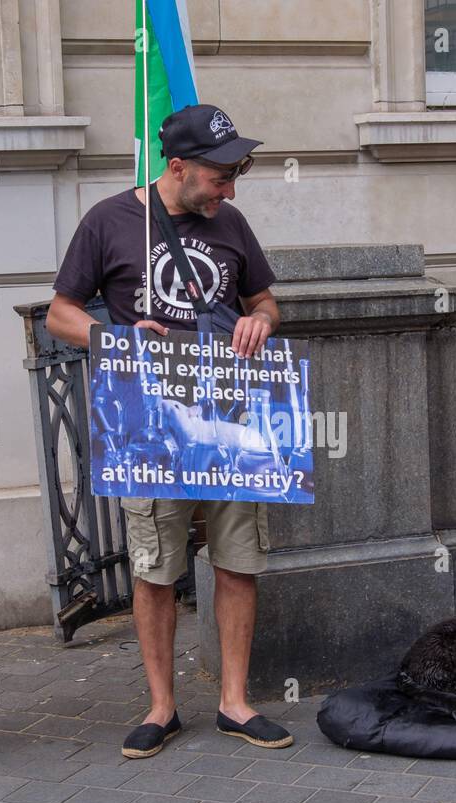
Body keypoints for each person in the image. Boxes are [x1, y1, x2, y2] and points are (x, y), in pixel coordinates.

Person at [46, 104, 292, 758]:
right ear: (177, 167)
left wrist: (261, 321)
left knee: (239, 559)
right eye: (220, 176)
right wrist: (113, 336)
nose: (230, 189)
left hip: (232, 418)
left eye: (237, 173)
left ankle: (236, 703)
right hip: (150, 423)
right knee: (155, 568)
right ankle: (162, 707)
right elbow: (60, 315)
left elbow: (264, 299)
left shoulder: (231, 224)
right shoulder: (109, 220)